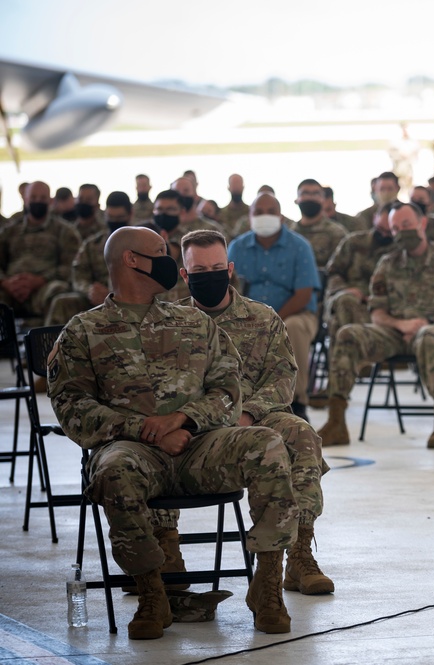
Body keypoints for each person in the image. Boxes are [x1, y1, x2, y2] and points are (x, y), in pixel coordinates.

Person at [47, 226, 298, 638]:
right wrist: (147, 431)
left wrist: (184, 420)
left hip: (200, 446)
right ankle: (153, 593)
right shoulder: (83, 331)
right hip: (133, 452)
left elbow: (228, 388)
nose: (169, 260)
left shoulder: (193, 322)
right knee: (112, 471)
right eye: (161, 252)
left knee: (267, 444)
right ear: (132, 260)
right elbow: (72, 409)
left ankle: (267, 586)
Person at [177, 229, 333, 596]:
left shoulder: (262, 318)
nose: (210, 275)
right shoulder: (171, 324)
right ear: (184, 275)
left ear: (230, 269)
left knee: (302, 434)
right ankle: (166, 556)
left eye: (217, 267)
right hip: (197, 425)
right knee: (151, 445)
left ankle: (299, 553)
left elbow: (283, 378)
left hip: (256, 416)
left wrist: (248, 414)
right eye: (199, 270)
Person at [318, 202, 434, 449]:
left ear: (422, 223)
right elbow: (377, 312)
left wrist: (427, 322)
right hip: (395, 331)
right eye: (395, 228)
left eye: (406, 225)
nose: (401, 232)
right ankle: (336, 422)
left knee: (428, 336)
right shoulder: (387, 263)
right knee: (348, 334)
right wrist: (401, 324)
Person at [229, 192, 322, 421]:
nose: (265, 216)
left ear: (281, 216)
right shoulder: (237, 247)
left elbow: (303, 294)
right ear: (249, 217)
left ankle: (298, 401)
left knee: (294, 328)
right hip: (248, 314)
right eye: (258, 212)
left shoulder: (300, 246)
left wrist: (272, 320)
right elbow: (229, 288)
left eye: (271, 212)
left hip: (295, 314)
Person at [45, 191, 132, 326]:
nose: (114, 222)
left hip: (133, 298)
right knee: (62, 302)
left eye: (119, 218)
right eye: (110, 217)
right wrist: (90, 290)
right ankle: (55, 346)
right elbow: (78, 274)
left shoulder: (143, 243)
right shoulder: (92, 244)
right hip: (97, 298)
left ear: (130, 215)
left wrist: (115, 295)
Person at [322, 204, 398, 352]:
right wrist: (345, 289)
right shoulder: (353, 242)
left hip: (384, 305)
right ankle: (351, 359)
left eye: (389, 232)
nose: (383, 235)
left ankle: (358, 358)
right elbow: (333, 272)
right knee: (345, 301)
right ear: (375, 218)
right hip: (350, 298)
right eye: (381, 229)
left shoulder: (400, 250)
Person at [0, 181, 81, 319]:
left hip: (45, 287)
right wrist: (6, 283)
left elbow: (71, 267)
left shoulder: (65, 231)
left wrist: (39, 280)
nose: (38, 201)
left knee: (59, 291)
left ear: (50, 201)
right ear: (25, 200)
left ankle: (52, 339)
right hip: (10, 288)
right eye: (33, 198)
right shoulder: (10, 231)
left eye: (42, 198)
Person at [290, 178, 348, 269]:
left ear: (323, 200)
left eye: (315, 193)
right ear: (297, 200)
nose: (310, 197)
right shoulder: (289, 233)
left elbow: (341, 271)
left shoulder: (337, 233)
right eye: (305, 193)